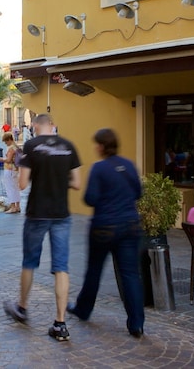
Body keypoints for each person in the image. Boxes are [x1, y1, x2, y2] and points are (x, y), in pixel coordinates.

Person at [3, 113, 81, 342]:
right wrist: (59, 179)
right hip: (61, 213)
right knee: (61, 267)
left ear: (36, 126)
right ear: (53, 126)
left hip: (38, 212)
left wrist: (40, 176)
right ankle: (60, 323)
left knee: (29, 262)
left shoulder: (31, 145)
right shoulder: (68, 146)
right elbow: (76, 183)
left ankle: (22, 308)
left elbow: (23, 183)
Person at [67, 128, 144, 338]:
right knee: (130, 274)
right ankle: (136, 323)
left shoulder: (99, 168)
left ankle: (83, 309)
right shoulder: (128, 165)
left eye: (96, 144)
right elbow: (139, 192)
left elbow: (90, 198)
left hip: (104, 226)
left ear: (101, 146)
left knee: (94, 270)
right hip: (130, 225)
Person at [0, 132, 21, 214]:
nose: (5, 143)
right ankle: (18, 206)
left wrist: (2, 159)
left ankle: (13, 207)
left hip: (9, 169)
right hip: (15, 169)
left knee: (10, 188)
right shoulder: (16, 147)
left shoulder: (11, 148)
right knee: (16, 188)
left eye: (5, 141)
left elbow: (8, 160)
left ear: (9, 140)